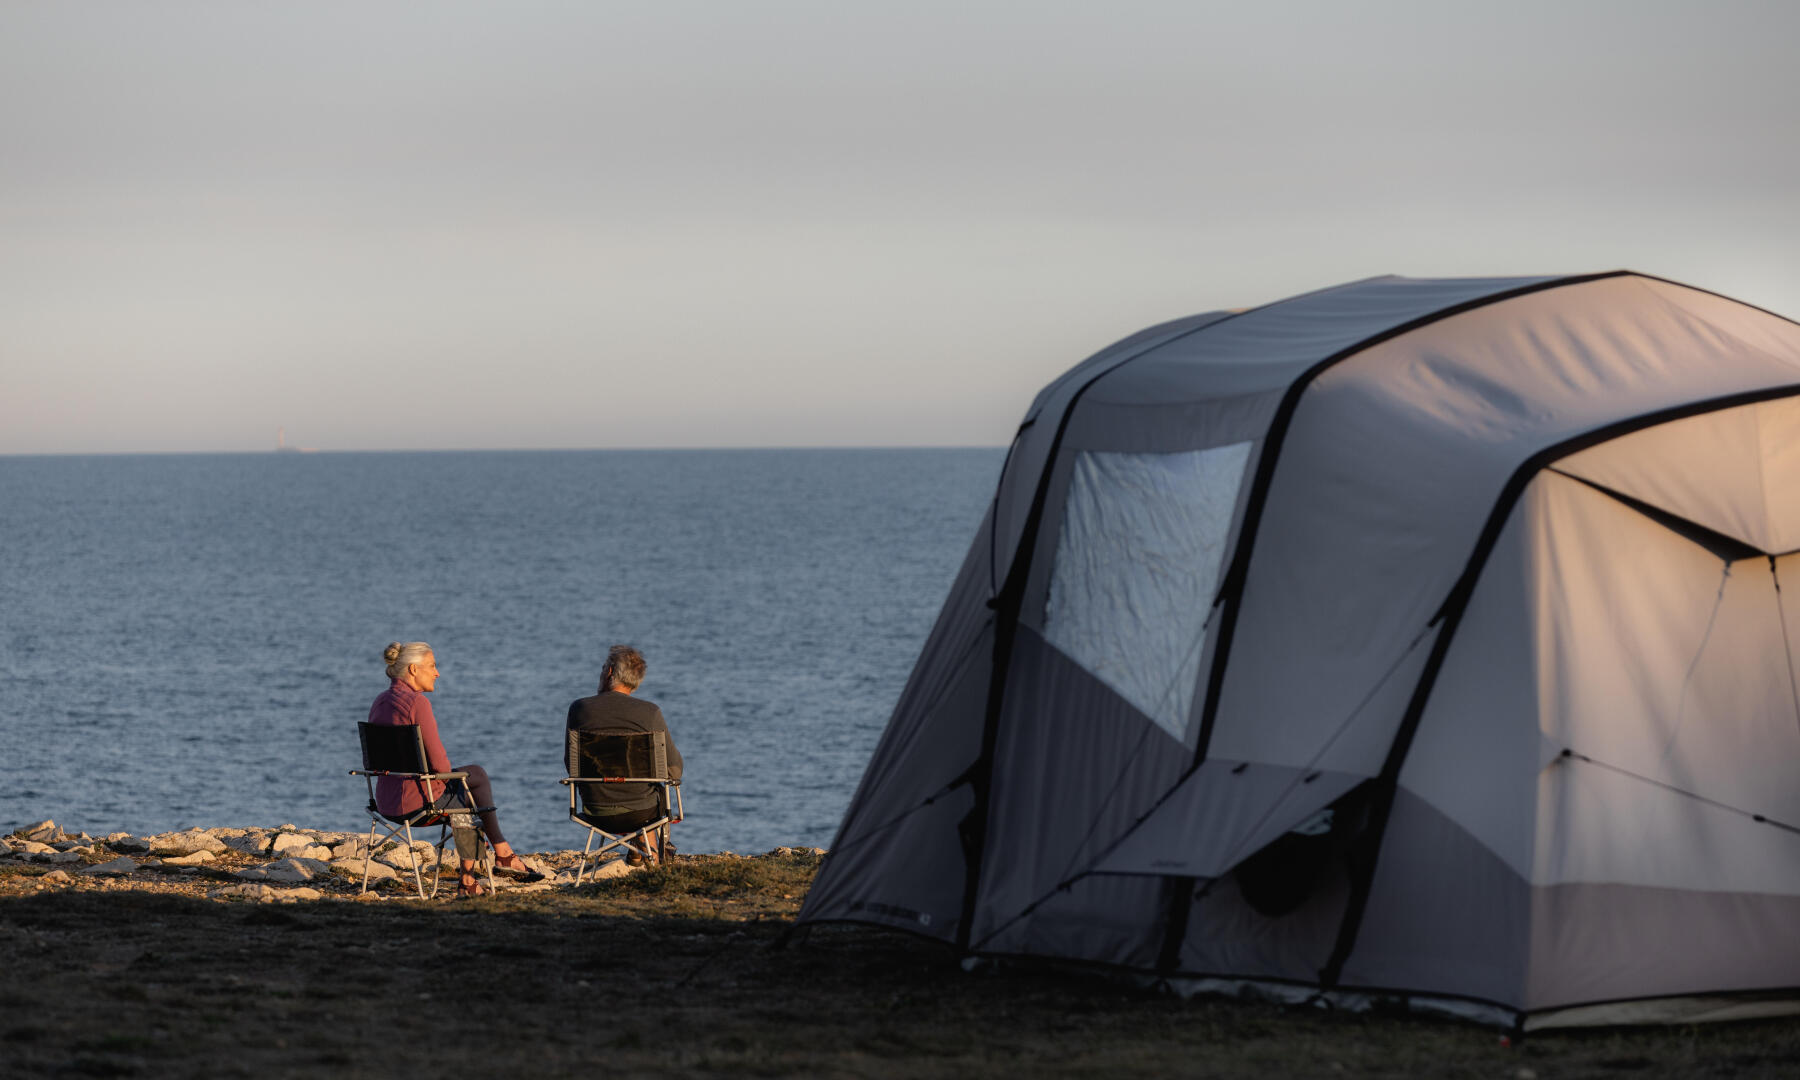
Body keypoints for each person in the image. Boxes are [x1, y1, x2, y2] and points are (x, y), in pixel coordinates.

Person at [367, 641, 543, 896]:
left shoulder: (379, 701)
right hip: (416, 805)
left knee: (464, 795)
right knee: (473, 786)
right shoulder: (418, 704)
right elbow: (441, 767)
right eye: (432, 665)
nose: (437, 672)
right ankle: (488, 866)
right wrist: (444, 781)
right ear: (414, 670)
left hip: (385, 804)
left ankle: (490, 867)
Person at [565, 644, 684, 864]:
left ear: (609, 671)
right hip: (641, 813)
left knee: (646, 792)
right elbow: (674, 769)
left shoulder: (579, 709)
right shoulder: (650, 712)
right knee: (656, 790)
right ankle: (651, 852)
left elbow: (569, 763)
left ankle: (641, 850)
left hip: (594, 810)